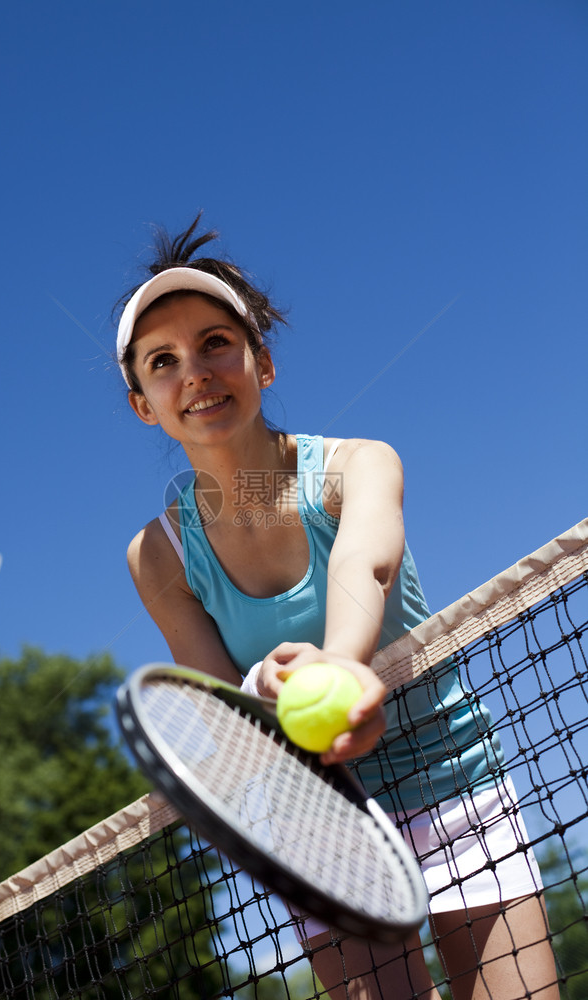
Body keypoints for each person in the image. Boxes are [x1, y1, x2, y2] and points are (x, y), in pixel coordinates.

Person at [115, 216, 559, 1000]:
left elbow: (367, 563)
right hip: (319, 829)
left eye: (217, 342)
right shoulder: (157, 556)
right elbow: (222, 716)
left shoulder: (357, 464)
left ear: (263, 363)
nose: (196, 372)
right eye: (163, 361)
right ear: (143, 404)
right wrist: (266, 701)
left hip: (454, 783)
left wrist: (340, 670)